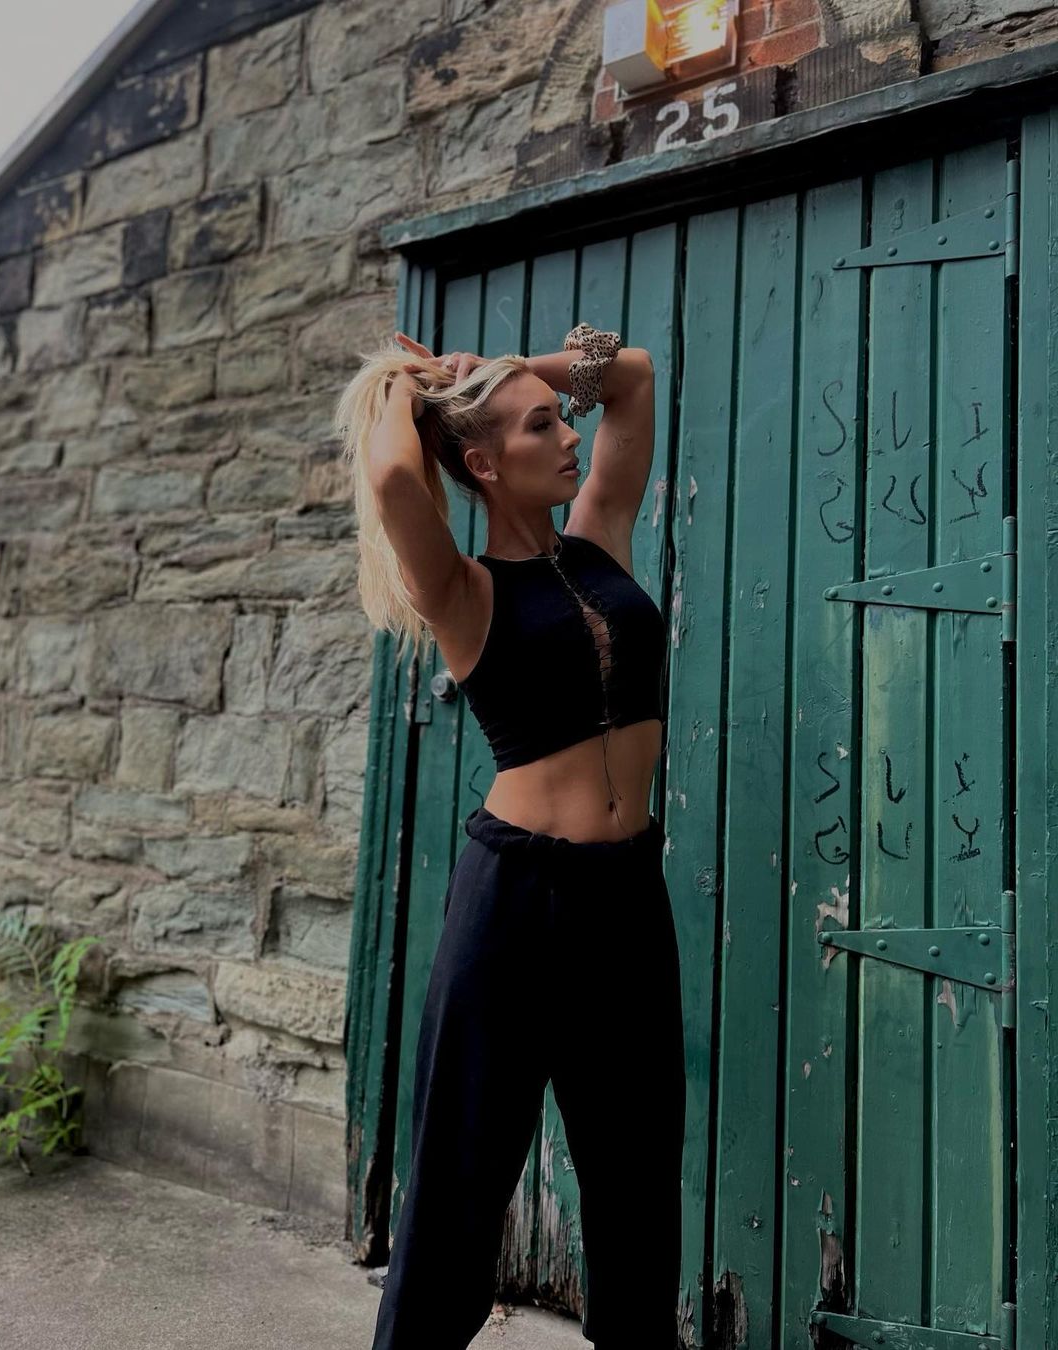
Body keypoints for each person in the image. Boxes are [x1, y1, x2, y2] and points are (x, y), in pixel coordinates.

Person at [335, 322, 685, 1350]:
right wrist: (415, 384)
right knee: (461, 1175)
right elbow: (393, 472)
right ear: (485, 464)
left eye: (559, 420)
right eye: (542, 425)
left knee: (636, 1181)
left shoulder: (600, 537)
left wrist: (509, 368)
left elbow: (634, 378)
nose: (570, 434)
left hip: (627, 894)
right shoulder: (463, 592)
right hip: (516, 905)